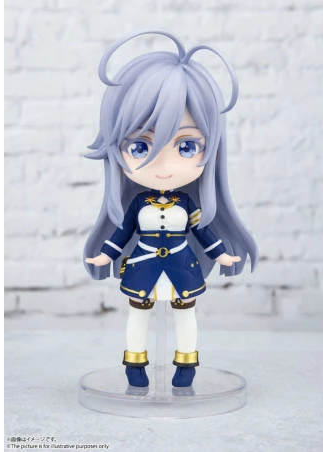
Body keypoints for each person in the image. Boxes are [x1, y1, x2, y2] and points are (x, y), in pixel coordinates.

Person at [84, 30, 258, 388]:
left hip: (182, 267)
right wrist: (105, 255)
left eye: (186, 147)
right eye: (140, 147)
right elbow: (122, 233)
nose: (163, 167)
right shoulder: (138, 204)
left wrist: (222, 255)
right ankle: (135, 364)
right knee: (137, 318)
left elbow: (204, 232)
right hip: (143, 267)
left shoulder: (187, 204)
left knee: (185, 318)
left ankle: (186, 364)